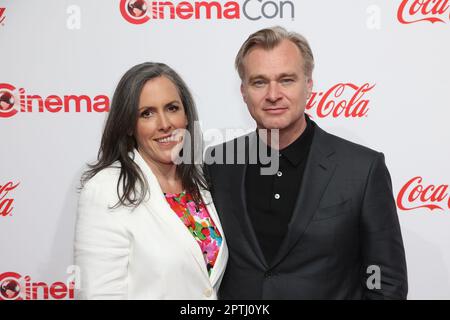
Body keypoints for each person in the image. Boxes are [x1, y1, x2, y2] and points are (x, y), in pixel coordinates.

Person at [205, 26, 408, 299]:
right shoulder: (217, 165)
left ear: (309, 84)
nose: (273, 94)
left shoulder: (362, 169)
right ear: (243, 91)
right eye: (259, 82)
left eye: (287, 80)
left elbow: (386, 280)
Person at [74, 62, 228, 299]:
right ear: (128, 125)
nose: (165, 123)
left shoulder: (200, 182)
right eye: (147, 113)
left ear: (186, 116)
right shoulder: (106, 190)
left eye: (172, 108)